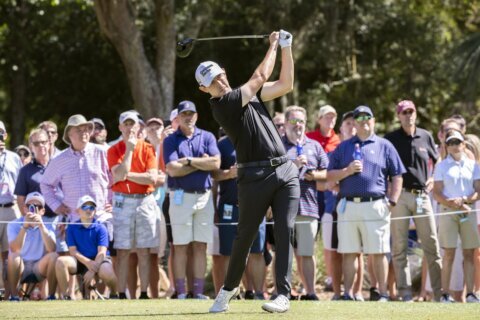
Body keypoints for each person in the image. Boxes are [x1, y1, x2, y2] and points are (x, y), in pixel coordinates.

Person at [197, 29, 299, 313]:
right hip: (253, 178)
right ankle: (228, 289)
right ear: (204, 89)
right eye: (211, 82)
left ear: (224, 73)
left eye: (218, 76)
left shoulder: (248, 96)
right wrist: (274, 46)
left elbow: (286, 84)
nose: (217, 82)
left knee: (284, 230)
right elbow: (259, 78)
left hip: (286, 172)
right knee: (245, 237)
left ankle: (283, 295)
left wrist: (287, 48)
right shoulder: (223, 105)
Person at [327, 105, 405, 302]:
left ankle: (383, 294)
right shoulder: (343, 147)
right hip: (349, 205)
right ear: (354, 122)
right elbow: (329, 175)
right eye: (358, 117)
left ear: (373, 120)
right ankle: (348, 294)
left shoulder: (384, 145)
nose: (363, 120)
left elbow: (397, 175)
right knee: (349, 252)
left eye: (367, 117)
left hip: (376, 204)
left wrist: (392, 201)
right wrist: (346, 171)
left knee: (378, 252)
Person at [384, 100, 442, 302]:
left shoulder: (425, 136)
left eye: (411, 111)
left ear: (415, 113)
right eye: (404, 112)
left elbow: (438, 160)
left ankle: (438, 293)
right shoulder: (390, 139)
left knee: (432, 245)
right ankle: (405, 294)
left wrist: (434, 178)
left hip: (422, 196)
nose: (408, 115)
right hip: (399, 197)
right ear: (398, 116)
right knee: (399, 248)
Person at [163, 100, 220, 299]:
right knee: (180, 246)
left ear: (196, 116)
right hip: (180, 197)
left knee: (200, 246)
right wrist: (201, 163)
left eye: (191, 113)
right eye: (184, 114)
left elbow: (216, 162)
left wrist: (188, 161)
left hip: (204, 197)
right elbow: (172, 170)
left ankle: (197, 292)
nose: (188, 117)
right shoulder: (171, 140)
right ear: (177, 118)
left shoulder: (207, 136)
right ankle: (180, 292)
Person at [40, 115, 112, 257]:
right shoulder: (59, 160)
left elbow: (115, 180)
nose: (84, 132)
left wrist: (112, 202)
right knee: (76, 263)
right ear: (69, 134)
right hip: (74, 220)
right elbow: (45, 184)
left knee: (104, 261)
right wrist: (56, 205)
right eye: (79, 130)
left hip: (101, 218)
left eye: (86, 129)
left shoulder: (103, 152)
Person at [108, 111, 160, 300]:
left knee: (144, 250)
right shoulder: (114, 150)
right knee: (122, 250)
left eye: (133, 124)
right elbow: (118, 174)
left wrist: (126, 175)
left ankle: (144, 293)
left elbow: (152, 177)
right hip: (123, 200)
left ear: (139, 127)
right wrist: (129, 150)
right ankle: (122, 293)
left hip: (145, 200)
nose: (130, 127)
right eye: (126, 124)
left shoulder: (147, 149)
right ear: (121, 127)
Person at [212, 133, 267, 300]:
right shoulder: (221, 144)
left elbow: (268, 173)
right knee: (229, 253)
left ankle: (258, 294)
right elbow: (214, 175)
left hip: (255, 206)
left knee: (257, 252)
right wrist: (229, 173)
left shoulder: (259, 142)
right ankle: (231, 294)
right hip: (229, 206)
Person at [282, 105, 329, 300]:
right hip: (283, 207)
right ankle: (285, 292)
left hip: (308, 207)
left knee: (307, 252)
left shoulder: (315, 146)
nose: (297, 125)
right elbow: (270, 173)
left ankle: (310, 292)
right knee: (285, 254)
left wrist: (314, 175)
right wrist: (293, 165)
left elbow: (327, 173)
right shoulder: (277, 145)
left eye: (301, 121)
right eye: (293, 121)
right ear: (285, 124)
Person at [433, 129, 480, 303]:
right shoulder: (441, 166)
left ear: (463, 144)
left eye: (457, 142)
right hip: (448, 212)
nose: (454, 146)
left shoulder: (473, 165)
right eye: (450, 143)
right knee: (449, 254)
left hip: (468, 211)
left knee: (469, 253)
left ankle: (470, 294)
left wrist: (466, 200)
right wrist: (450, 203)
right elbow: (437, 193)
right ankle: (445, 294)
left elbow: (478, 190)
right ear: (446, 146)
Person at [328, 111, 365, 301]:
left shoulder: (365, 146)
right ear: (341, 128)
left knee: (357, 252)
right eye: (348, 123)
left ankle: (357, 292)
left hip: (361, 206)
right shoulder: (339, 149)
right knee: (337, 251)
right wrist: (345, 173)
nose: (351, 126)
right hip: (340, 206)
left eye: (354, 123)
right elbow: (329, 181)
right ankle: (337, 293)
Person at [55, 195, 118, 299]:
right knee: (60, 261)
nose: (89, 209)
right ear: (78, 210)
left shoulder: (101, 227)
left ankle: (114, 294)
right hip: (80, 260)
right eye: (85, 207)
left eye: (92, 207)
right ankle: (67, 296)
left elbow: (102, 252)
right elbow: (73, 251)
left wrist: (92, 270)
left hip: (99, 260)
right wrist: (88, 263)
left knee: (107, 271)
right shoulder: (71, 227)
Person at [7, 192, 57, 301]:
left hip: (38, 268)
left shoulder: (48, 225)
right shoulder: (13, 224)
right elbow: (15, 249)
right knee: (14, 256)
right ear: (25, 209)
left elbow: (51, 249)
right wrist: (24, 227)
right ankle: (14, 297)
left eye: (37, 207)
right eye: (30, 206)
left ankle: (51, 296)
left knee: (53, 256)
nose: (33, 209)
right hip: (20, 267)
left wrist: (41, 226)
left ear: (42, 211)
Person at [0, 120, 23, 298]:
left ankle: (11, 293)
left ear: (6, 135)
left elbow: (20, 186)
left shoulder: (14, 158)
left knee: (11, 254)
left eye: (1, 133)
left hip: (11, 208)